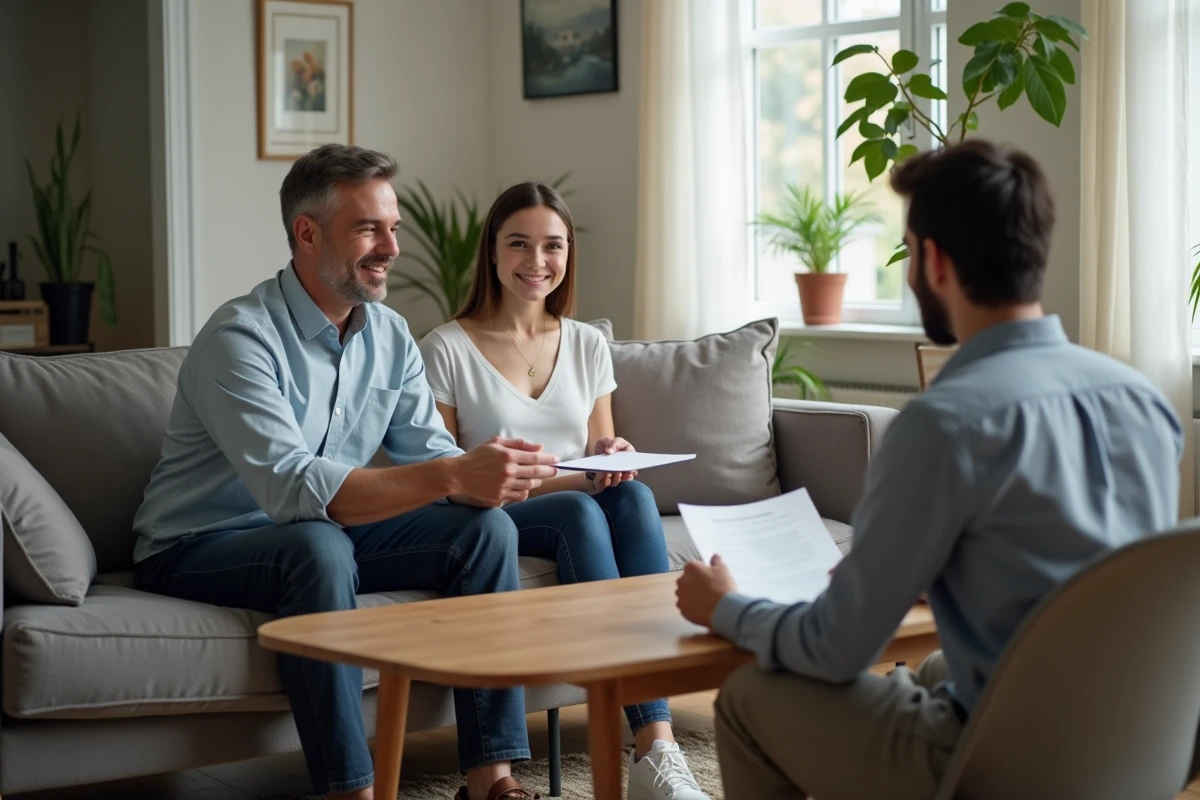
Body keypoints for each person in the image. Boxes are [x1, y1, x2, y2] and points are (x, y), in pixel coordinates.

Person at [675, 139, 1185, 800]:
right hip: (1136, 744)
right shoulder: (1141, 399)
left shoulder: (944, 423)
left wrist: (729, 608)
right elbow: (1087, 574)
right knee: (934, 670)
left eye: (910, 252)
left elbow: (836, 651)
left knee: (750, 697)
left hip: (1008, 763)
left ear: (933, 260)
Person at [132, 145, 564, 800]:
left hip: (321, 530)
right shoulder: (239, 339)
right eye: (369, 228)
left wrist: (494, 470)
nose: (390, 246)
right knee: (317, 544)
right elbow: (293, 490)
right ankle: (350, 790)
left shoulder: (388, 335)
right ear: (307, 233)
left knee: (485, 533)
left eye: (393, 227)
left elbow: (430, 457)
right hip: (197, 544)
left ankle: (491, 779)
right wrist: (451, 477)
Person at [419, 181, 711, 800]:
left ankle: (655, 746)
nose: (537, 261)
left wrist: (616, 457)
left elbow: (598, 450)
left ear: (568, 254)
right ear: (492, 253)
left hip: (575, 502)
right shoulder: (445, 347)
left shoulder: (586, 342)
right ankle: (635, 728)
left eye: (552, 246)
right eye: (519, 244)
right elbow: (443, 478)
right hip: (497, 512)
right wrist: (574, 477)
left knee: (629, 498)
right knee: (579, 508)